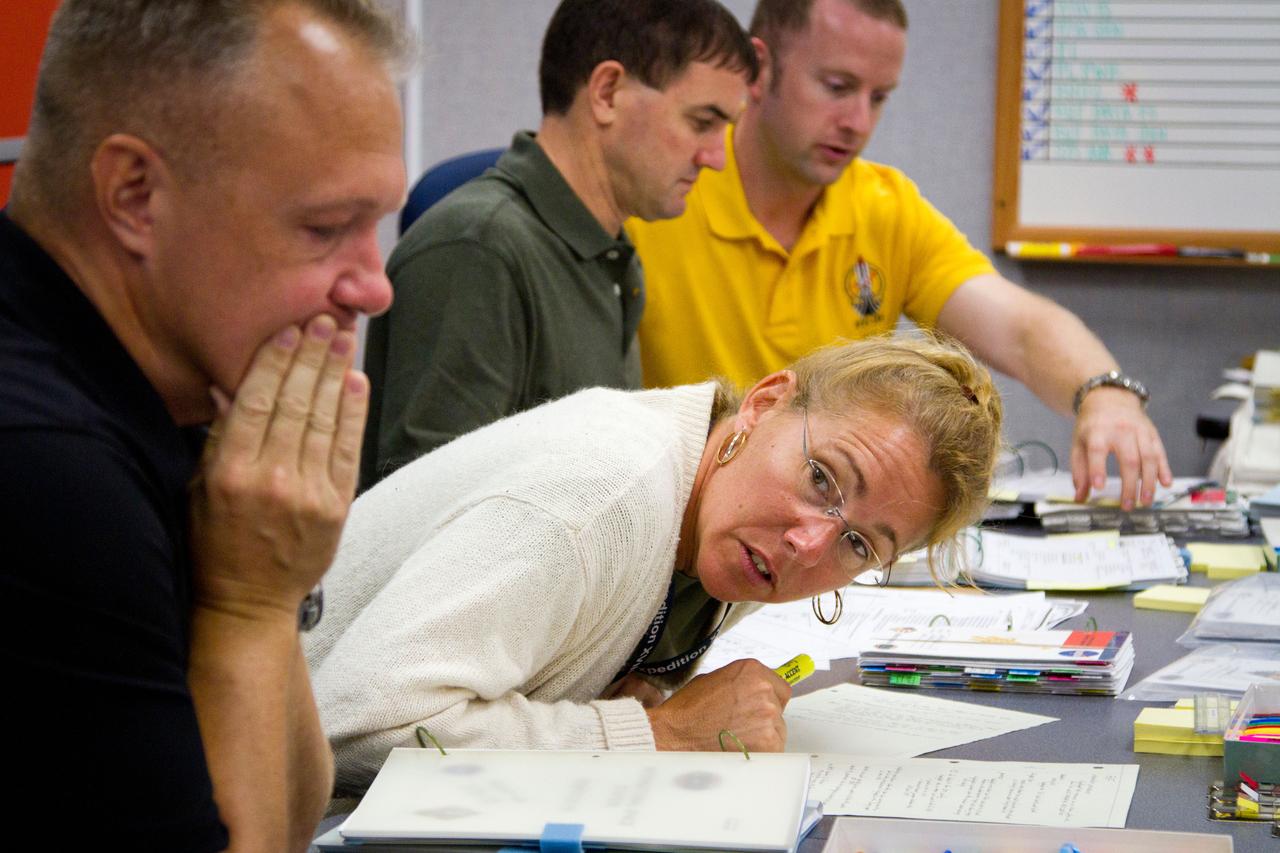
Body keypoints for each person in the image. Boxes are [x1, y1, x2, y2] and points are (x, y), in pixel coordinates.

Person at [0, 2, 406, 850]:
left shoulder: (173, 379)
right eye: (326, 229)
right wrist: (251, 603)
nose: (374, 287)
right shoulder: (48, 472)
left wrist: (276, 580)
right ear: (134, 195)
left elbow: (292, 813)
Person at [307, 334, 1003, 794]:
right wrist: (658, 735)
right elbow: (355, 724)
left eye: (859, 544)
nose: (809, 546)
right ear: (763, 403)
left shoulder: (735, 515)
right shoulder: (599, 500)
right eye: (822, 478)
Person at [625, 0, 1172, 512]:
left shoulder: (884, 207)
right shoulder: (661, 191)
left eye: (879, 97)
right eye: (837, 87)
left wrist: (1104, 392)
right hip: (679, 524)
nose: (858, 122)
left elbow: (1022, 329)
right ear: (760, 70)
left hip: (828, 540)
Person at [359, 0, 757, 491]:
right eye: (702, 122)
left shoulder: (610, 252)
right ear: (607, 92)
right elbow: (427, 518)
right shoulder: (479, 249)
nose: (717, 158)